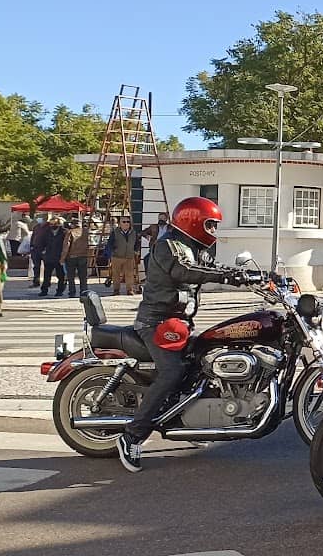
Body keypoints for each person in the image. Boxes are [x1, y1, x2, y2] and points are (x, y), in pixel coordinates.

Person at [117, 197, 253, 472]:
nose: (213, 231)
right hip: (155, 322)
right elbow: (186, 271)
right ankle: (132, 435)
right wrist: (228, 278)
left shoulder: (193, 247)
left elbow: (210, 269)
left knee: (202, 363)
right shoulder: (169, 246)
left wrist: (246, 275)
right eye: (210, 225)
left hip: (178, 323)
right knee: (172, 372)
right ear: (193, 221)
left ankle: (188, 422)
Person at [59, 218, 91, 298]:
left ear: (72, 225)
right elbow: (90, 245)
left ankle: (72, 292)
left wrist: (62, 258)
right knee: (83, 276)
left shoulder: (70, 232)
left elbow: (66, 246)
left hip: (71, 257)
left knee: (71, 276)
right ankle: (84, 291)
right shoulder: (86, 232)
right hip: (83, 256)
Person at [108, 219, 141, 296]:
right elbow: (110, 243)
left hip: (129, 256)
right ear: (120, 224)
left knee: (129, 274)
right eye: (124, 222)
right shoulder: (115, 232)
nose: (126, 223)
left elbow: (137, 243)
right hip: (117, 257)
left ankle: (129, 290)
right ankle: (116, 290)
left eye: (128, 222)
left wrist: (136, 251)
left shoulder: (133, 233)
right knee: (116, 274)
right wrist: (113, 251)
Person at [36, 217, 65, 295]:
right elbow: (41, 242)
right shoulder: (46, 232)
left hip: (59, 257)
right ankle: (44, 290)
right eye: (51, 224)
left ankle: (60, 290)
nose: (52, 226)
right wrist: (42, 253)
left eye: (54, 224)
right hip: (49, 257)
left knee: (61, 275)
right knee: (47, 275)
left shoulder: (63, 232)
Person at [27, 215, 50, 286]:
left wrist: (47, 248)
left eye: (39, 218)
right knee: (36, 267)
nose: (38, 219)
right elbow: (33, 237)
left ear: (44, 219)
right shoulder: (36, 227)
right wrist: (31, 246)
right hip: (36, 249)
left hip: (45, 249)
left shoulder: (49, 227)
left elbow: (50, 239)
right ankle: (36, 281)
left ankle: (47, 282)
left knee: (47, 267)